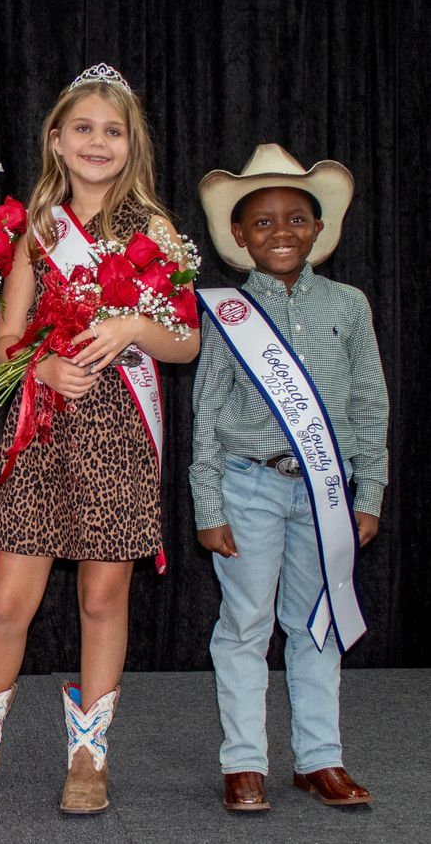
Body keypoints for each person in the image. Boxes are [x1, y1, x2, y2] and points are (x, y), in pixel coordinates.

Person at [0, 65, 200, 813]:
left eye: (112, 131)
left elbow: (185, 343)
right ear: (56, 138)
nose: (97, 141)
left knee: (103, 593)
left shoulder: (154, 228)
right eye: (82, 127)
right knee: (7, 599)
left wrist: (132, 327)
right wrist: (42, 363)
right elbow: (3, 341)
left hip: (119, 426)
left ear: (131, 143)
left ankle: (90, 757)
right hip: (42, 426)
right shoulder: (37, 227)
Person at [190, 144, 388, 811]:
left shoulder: (350, 305)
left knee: (318, 622)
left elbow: (370, 404)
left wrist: (372, 491)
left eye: (297, 218)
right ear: (240, 236)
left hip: (327, 492)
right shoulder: (229, 314)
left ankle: (319, 757)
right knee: (245, 624)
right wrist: (207, 500)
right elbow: (209, 412)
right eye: (265, 222)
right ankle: (244, 762)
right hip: (248, 485)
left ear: (320, 228)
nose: (282, 232)